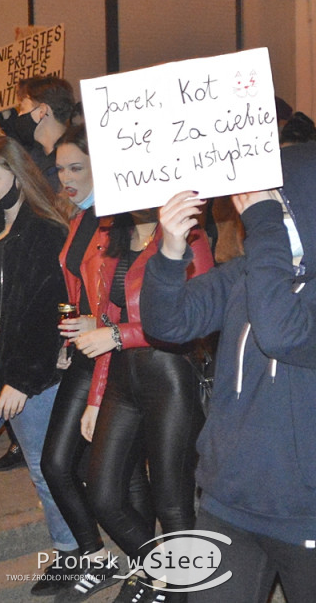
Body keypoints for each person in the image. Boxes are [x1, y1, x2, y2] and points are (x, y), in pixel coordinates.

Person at [141, 142, 316, 602]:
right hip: (227, 498)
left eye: (279, 202)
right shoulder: (249, 272)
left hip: (313, 508)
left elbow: (282, 333)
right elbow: (168, 323)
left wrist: (266, 226)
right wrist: (171, 252)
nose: (267, 212)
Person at [76, 189, 213, 602]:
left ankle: (179, 591)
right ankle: (164, 573)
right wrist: (95, 398)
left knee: (172, 501)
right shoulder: (114, 242)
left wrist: (119, 335)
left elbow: (198, 318)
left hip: (169, 371)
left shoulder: (189, 239)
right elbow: (103, 326)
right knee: (101, 492)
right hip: (121, 376)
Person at [43, 125, 154, 602]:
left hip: (117, 349)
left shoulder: (119, 221)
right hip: (88, 348)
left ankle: (152, 570)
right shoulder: (81, 217)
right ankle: (102, 556)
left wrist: (96, 324)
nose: (66, 177)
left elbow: (123, 298)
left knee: (115, 474)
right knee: (64, 464)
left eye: (77, 167)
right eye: (61, 168)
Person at [0, 136, 79, 597]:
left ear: (15, 174)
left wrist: (23, 378)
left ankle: (70, 552)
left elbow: (51, 310)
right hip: (2, 354)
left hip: (29, 366)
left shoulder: (44, 232)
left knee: (45, 468)